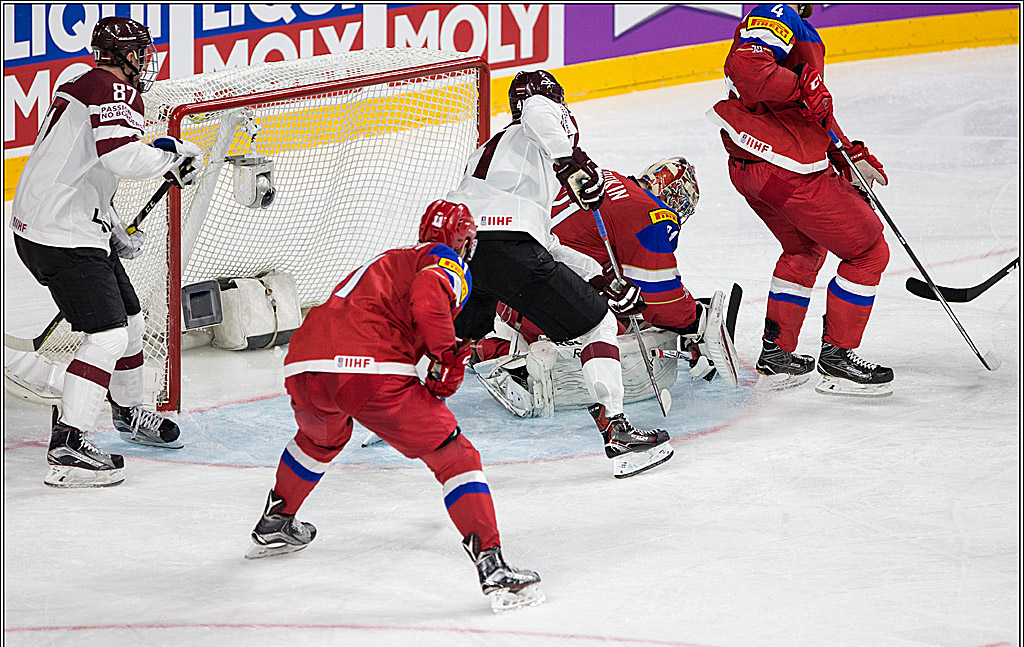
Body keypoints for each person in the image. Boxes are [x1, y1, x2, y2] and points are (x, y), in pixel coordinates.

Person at [244, 200, 544, 614]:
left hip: (305, 363)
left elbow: (396, 315)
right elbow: (428, 299)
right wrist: (447, 354)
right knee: (456, 456)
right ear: (464, 240)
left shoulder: (391, 260)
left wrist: (434, 362)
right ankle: (492, 564)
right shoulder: (446, 261)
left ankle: (276, 520)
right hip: (366, 368)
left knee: (321, 437)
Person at [447, 70, 673, 478]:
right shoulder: (537, 124)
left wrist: (597, 278)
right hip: (505, 246)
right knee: (598, 322)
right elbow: (536, 107)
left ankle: (389, 406)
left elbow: (545, 243)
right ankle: (617, 429)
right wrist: (572, 161)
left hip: (462, 252)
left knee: (455, 339)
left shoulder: (500, 154)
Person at [10, 16, 201, 488]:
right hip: (61, 234)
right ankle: (70, 443)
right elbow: (119, 155)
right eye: (142, 52)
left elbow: (90, 162)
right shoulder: (118, 92)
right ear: (129, 57)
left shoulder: (76, 77)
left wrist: (110, 222)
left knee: (132, 321)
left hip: (56, 221)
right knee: (109, 335)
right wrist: (172, 160)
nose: (146, 61)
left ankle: (129, 412)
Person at [707, 3, 894, 397]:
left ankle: (778, 356)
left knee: (804, 248)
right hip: (787, 168)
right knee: (868, 251)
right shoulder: (777, 10)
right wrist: (802, 85)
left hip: (752, 166)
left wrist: (846, 151)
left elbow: (805, 109)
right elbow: (749, 72)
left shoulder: (788, 22)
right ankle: (839, 360)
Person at [472, 156, 741, 398]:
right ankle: (518, 364)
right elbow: (660, 295)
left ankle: (496, 345)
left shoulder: (608, 178)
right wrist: (692, 320)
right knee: (619, 345)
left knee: (621, 303)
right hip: (538, 298)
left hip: (502, 287)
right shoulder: (651, 214)